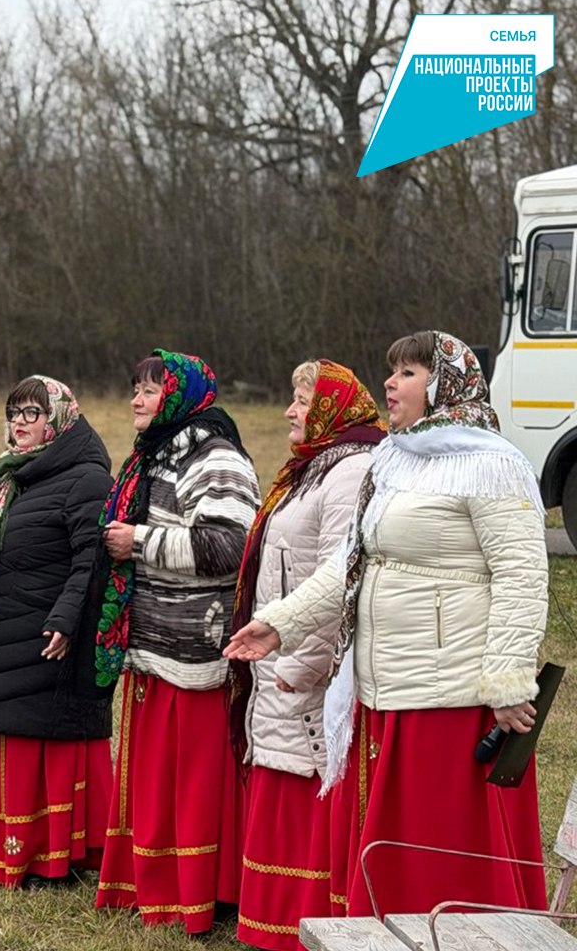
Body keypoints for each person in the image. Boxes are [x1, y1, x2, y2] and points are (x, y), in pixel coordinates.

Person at [226, 331, 549, 918]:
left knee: (440, 855)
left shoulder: (492, 464)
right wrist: (279, 624)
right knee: (393, 855)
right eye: (392, 371)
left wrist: (508, 681)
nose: (390, 384)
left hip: (449, 697)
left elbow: (521, 575)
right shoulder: (396, 459)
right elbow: (348, 561)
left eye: (407, 373)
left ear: (444, 385)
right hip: (384, 687)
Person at [93, 349, 260, 935]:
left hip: (193, 648)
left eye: (150, 389)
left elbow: (230, 546)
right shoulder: (156, 453)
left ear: (180, 396)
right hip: (153, 644)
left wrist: (139, 541)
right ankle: (151, 886)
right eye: (135, 388)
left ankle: (197, 895)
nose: (136, 399)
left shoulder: (216, 458)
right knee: (155, 776)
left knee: (191, 781)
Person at [229, 360, 385, 949]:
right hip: (278, 663)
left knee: (304, 799)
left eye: (302, 401)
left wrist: (302, 666)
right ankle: (272, 926)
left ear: (331, 409)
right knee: (281, 786)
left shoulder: (351, 470)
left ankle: (302, 928)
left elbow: (337, 579)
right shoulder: (312, 467)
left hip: (302, 674)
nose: (290, 412)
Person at [0, 375, 114, 887]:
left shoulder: (86, 479)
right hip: (3, 630)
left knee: (37, 737)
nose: (19, 423)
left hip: (44, 634)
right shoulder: (13, 474)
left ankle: (47, 856)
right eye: (14, 413)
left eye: (32, 413)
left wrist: (65, 617)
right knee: (4, 730)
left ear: (58, 419)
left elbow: (92, 560)